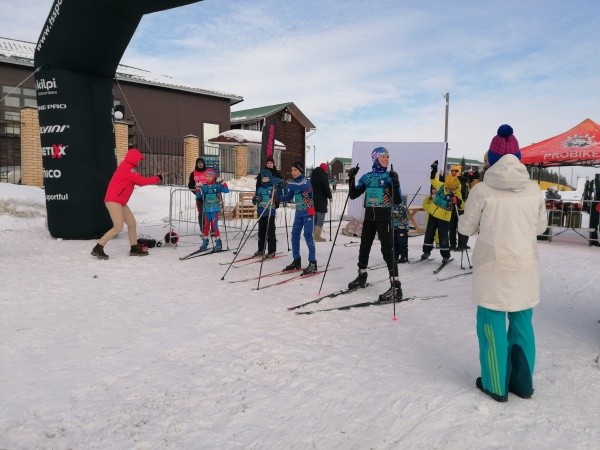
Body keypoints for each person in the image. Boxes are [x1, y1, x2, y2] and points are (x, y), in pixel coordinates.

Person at [458, 124, 547, 402]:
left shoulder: (482, 190)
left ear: (492, 158)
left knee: (491, 325)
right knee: (523, 324)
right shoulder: (534, 189)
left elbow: (465, 228)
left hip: (492, 269)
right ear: (518, 157)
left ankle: (495, 384)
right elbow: (540, 227)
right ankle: (523, 383)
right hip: (524, 267)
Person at [347, 147, 403, 302]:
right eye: (383, 156)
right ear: (375, 158)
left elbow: (398, 201)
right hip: (369, 217)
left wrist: (396, 183)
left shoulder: (389, 176)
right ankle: (362, 275)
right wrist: (352, 178)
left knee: (387, 250)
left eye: (387, 156)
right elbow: (353, 195)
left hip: (384, 217)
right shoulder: (367, 177)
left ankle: (396, 287)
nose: (386, 159)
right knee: (364, 247)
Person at [91, 147, 162, 259]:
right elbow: (142, 181)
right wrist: (158, 178)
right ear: (133, 158)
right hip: (114, 201)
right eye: (138, 159)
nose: (139, 162)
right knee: (118, 227)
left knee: (132, 224)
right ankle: (98, 247)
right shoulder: (127, 169)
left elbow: (138, 181)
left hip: (120, 202)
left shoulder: (129, 168)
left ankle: (134, 248)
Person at [280, 161, 317, 275]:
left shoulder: (305, 181)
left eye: (295, 170)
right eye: (292, 170)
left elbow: (302, 187)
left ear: (301, 170)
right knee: (295, 235)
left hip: (308, 212)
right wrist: (277, 196)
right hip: (299, 213)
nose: (293, 172)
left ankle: (312, 262)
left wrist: (286, 184)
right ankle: (296, 260)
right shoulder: (293, 183)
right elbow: (288, 196)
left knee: (308, 235)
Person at [421, 161, 462, 263]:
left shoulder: (456, 194)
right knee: (429, 234)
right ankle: (426, 251)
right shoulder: (441, 186)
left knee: (443, 236)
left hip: (444, 218)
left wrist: (458, 201)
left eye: (450, 189)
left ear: (454, 187)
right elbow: (433, 180)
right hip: (432, 214)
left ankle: (445, 255)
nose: (448, 189)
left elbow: (462, 206)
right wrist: (434, 170)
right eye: (447, 187)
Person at [197, 168, 229, 252]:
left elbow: (226, 190)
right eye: (207, 176)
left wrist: (222, 182)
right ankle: (205, 241)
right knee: (206, 226)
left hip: (214, 209)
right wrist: (198, 188)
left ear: (213, 176)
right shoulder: (204, 186)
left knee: (214, 226)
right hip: (206, 209)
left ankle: (218, 242)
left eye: (210, 176)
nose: (208, 178)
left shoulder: (217, 185)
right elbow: (198, 196)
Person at [252, 169, 283, 258]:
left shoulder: (273, 188)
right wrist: (255, 200)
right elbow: (256, 198)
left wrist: (278, 190)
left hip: (270, 212)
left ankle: (271, 250)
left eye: (266, 178)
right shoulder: (259, 189)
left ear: (270, 178)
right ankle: (261, 249)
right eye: (263, 178)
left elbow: (280, 192)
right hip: (261, 212)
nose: (265, 180)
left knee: (270, 232)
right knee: (261, 232)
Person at [310, 162, 332, 242]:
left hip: (314, 198)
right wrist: (330, 196)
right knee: (321, 216)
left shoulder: (313, 175)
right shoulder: (323, 175)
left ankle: (313, 233)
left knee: (315, 216)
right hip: (321, 199)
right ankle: (317, 236)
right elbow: (326, 187)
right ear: (324, 169)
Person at [448, 165, 469, 251]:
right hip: (451, 205)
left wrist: (459, 200)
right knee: (452, 227)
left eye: (456, 171)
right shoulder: (449, 179)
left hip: (460, 206)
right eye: (452, 171)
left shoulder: (463, 180)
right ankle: (452, 244)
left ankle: (462, 244)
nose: (454, 172)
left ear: (459, 172)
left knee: (461, 226)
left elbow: (465, 193)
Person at [188, 157, 209, 231]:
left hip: (209, 196)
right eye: (198, 163)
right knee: (201, 213)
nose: (200, 164)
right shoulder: (193, 173)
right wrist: (196, 192)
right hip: (199, 197)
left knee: (209, 212)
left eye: (201, 163)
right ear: (196, 164)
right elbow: (190, 185)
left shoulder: (208, 172)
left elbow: (213, 182)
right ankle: (203, 230)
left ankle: (211, 229)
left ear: (204, 163)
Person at [392, 196, 409, 263]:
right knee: (395, 242)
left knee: (402, 242)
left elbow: (402, 214)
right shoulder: (392, 204)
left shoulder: (402, 205)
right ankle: (395, 256)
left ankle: (404, 257)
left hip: (402, 227)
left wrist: (393, 212)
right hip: (395, 227)